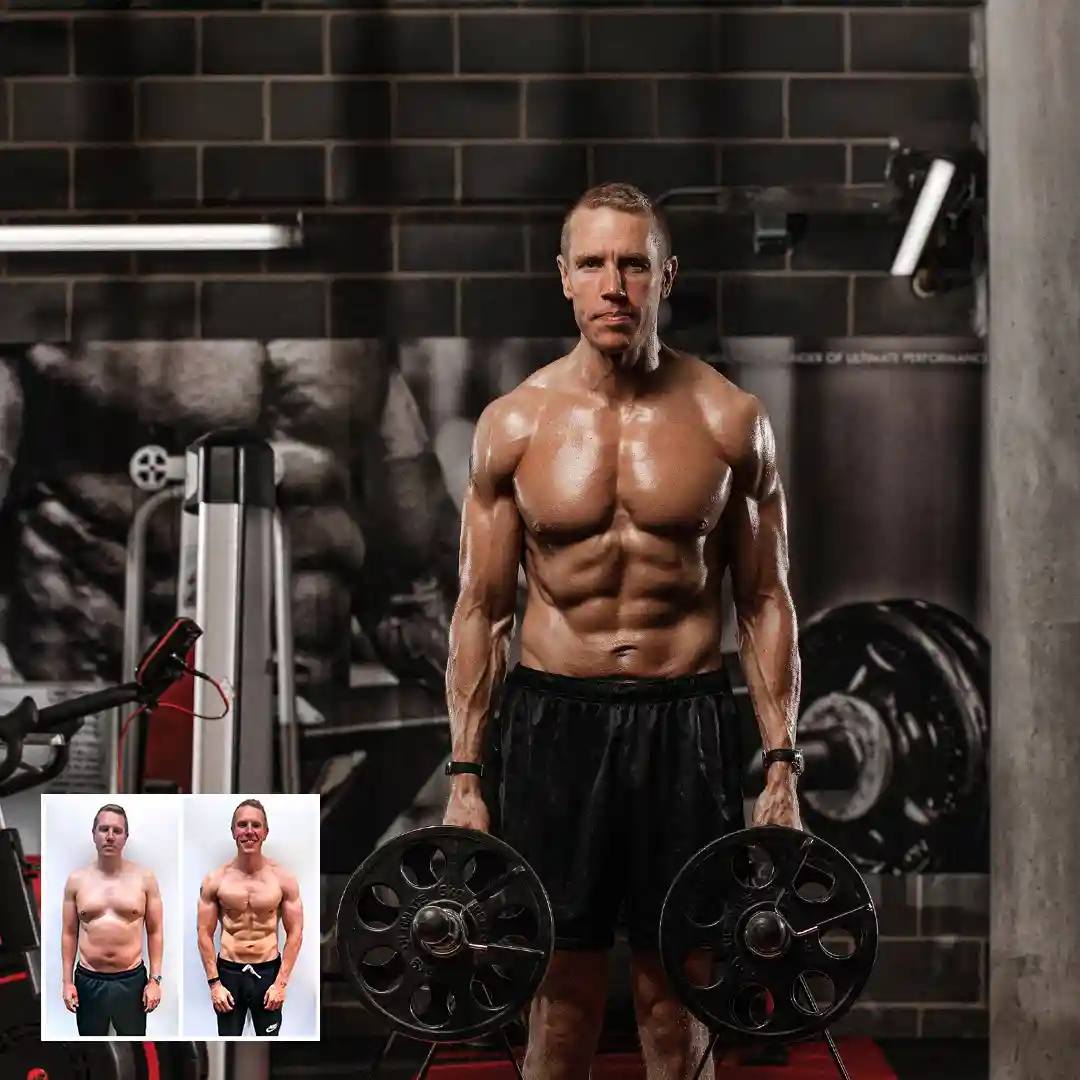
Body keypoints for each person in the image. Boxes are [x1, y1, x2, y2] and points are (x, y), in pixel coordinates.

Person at [443, 182, 803, 1080]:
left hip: (684, 721)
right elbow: (483, 612)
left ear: (665, 276)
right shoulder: (514, 427)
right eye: (595, 263)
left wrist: (782, 763)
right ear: (563, 277)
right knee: (558, 999)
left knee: (677, 992)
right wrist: (465, 773)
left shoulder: (729, 421)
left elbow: (765, 601)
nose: (614, 284)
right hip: (555, 723)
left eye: (633, 263)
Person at [196, 798, 304, 1037]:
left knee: (267, 1045)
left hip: (268, 973)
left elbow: (295, 933)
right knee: (229, 1043)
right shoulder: (216, 880)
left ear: (265, 832)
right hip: (228, 974)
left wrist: (281, 984)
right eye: (242, 825)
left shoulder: (283, 879)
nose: (249, 831)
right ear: (233, 831)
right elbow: (204, 933)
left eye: (256, 825)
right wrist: (215, 984)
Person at [60, 803, 164, 1036]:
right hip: (88, 979)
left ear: (126, 837)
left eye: (117, 831)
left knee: (134, 1052)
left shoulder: (144, 879)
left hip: (131, 979)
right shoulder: (77, 881)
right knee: (91, 1055)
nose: (109, 836)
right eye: (104, 829)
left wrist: (155, 980)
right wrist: (67, 982)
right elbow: (69, 932)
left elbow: (155, 931)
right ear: (94, 834)